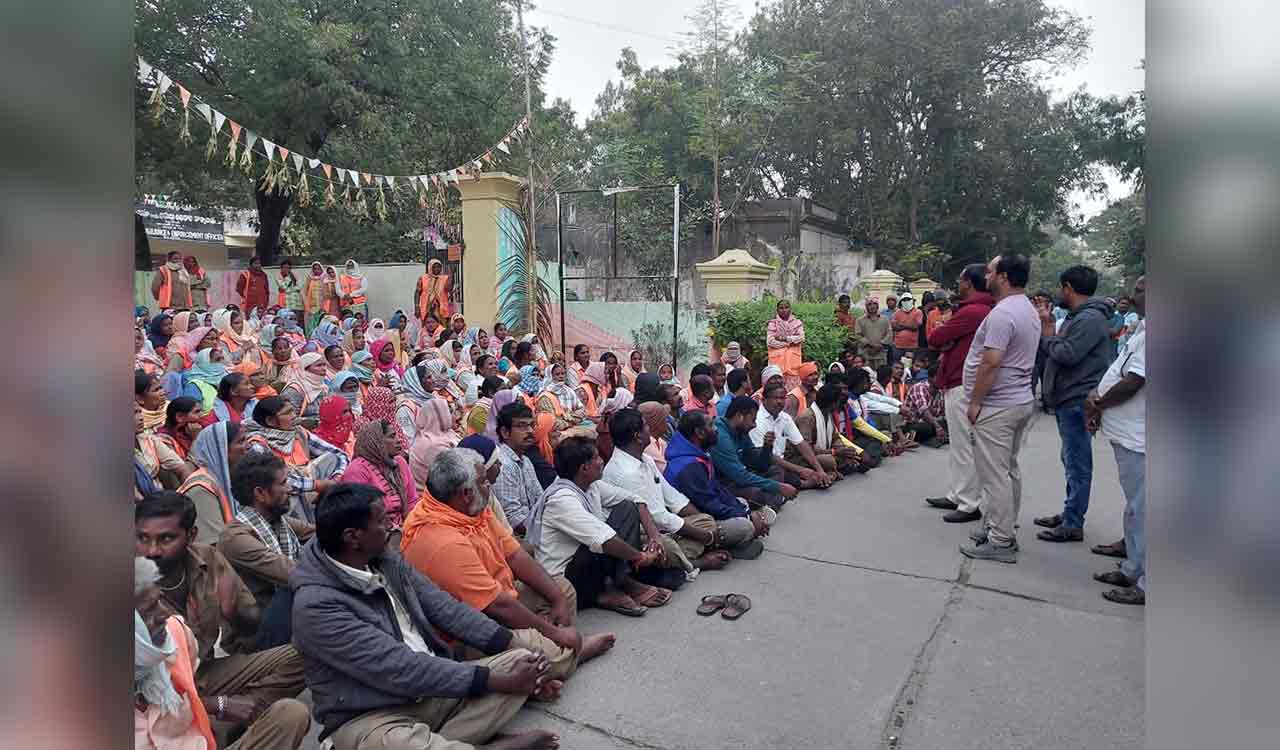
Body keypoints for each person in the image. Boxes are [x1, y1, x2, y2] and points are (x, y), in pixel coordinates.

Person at [289, 483, 564, 750]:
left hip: (433, 690)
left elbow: (446, 609)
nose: (392, 527)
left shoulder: (382, 557)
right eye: (382, 521)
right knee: (399, 742)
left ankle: (460, 738)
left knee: (524, 658)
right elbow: (399, 668)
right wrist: (499, 681)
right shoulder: (315, 606)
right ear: (353, 537)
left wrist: (513, 648)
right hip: (373, 716)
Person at [401, 448, 616, 683]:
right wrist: (554, 632)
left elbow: (514, 555)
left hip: (499, 598)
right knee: (535, 648)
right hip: (469, 632)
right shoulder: (443, 541)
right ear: (465, 493)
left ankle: (555, 653)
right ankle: (567, 654)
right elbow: (497, 606)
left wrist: (558, 600)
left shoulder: (470, 508)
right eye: (484, 482)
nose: (489, 486)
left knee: (562, 588)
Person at [135, 492, 308, 736]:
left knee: (303, 655)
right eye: (142, 538)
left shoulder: (207, 558)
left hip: (204, 672)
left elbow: (250, 626)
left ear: (191, 535)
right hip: (159, 694)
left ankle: (230, 723)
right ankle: (218, 721)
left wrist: (234, 612)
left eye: (166, 539)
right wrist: (219, 704)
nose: (152, 550)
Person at [133, 556, 312, 750]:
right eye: (149, 611)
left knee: (290, 714)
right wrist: (214, 705)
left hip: (198, 735)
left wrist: (219, 705)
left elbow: (190, 689)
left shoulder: (175, 632)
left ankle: (233, 725)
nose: (164, 614)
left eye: (159, 601)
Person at [958, 254, 1041, 563]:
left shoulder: (1004, 313)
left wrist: (976, 401)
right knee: (1008, 469)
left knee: (994, 475)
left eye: (991, 271)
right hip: (1018, 401)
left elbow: (991, 361)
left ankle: (1001, 539)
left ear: (1004, 276)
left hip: (998, 405)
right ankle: (999, 525)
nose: (987, 276)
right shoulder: (1027, 309)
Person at [528, 436, 670, 616]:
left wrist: (654, 536)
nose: (602, 461)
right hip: (568, 575)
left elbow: (636, 500)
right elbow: (603, 540)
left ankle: (620, 581)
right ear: (584, 468)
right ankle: (609, 590)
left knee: (627, 508)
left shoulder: (590, 485)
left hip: (591, 564)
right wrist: (640, 556)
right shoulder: (562, 498)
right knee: (601, 542)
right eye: (596, 458)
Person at [1032, 265, 1114, 543]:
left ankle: (1073, 522)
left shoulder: (1089, 319)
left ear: (1068, 287)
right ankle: (1070, 513)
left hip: (1078, 399)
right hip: (1069, 397)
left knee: (1077, 463)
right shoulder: (1079, 317)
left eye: (1061, 288)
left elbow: (1067, 353)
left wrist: (1046, 338)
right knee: (1070, 459)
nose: (1059, 293)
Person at [604, 408, 733, 574]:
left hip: (665, 527)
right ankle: (696, 562)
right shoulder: (625, 471)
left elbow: (673, 497)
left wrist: (701, 524)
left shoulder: (646, 459)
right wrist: (704, 537)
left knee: (706, 520)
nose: (649, 430)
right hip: (640, 534)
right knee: (667, 545)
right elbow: (655, 517)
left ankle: (681, 561)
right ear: (637, 436)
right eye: (645, 427)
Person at [1085, 276, 1147, 605]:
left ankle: (1146, 583)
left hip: (1142, 439)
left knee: (1147, 511)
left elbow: (1134, 381)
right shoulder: (1143, 330)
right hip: (1129, 435)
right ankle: (1133, 568)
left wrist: (1099, 402)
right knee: (1137, 508)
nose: (1132, 296)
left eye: (1139, 290)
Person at [219, 452, 314, 649]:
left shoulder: (278, 521)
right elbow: (292, 573)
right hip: (255, 637)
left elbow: (320, 534)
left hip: (283, 619)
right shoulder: (235, 538)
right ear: (260, 493)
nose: (289, 489)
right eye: (283, 483)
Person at [923, 263, 995, 523]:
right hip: (959, 379)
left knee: (964, 444)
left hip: (962, 382)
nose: (958, 284)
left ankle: (969, 503)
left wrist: (944, 334)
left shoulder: (974, 311)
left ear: (970, 283)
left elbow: (934, 338)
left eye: (961, 279)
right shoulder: (979, 309)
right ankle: (958, 494)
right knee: (959, 443)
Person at [664, 411, 773, 557]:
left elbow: (717, 490)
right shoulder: (688, 465)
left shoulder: (696, 454)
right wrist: (748, 517)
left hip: (706, 509)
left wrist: (745, 511)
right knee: (744, 527)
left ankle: (740, 537)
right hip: (695, 521)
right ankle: (722, 546)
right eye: (711, 425)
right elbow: (709, 505)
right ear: (700, 433)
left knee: (742, 502)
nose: (716, 429)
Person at [243, 396, 350, 523]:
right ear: (271, 421)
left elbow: (340, 454)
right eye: (288, 413)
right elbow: (277, 481)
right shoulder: (257, 444)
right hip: (283, 497)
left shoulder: (298, 432)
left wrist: (336, 478)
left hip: (310, 488)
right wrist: (316, 485)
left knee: (332, 458)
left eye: (293, 411)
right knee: (288, 485)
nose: (294, 416)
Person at [709, 396, 798, 510]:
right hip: (725, 483)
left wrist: (767, 447)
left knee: (776, 470)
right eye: (753, 420)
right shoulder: (721, 436)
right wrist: (778, 487)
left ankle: (769, 503)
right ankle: (770, 502)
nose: (754, 425)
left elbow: (759, 464)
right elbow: (740, 476)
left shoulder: (741, 431)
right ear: (739, 416)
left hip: (741, 476)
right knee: (755, 493)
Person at [753, 381, 837, 488]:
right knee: (778, 472)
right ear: (763, 400)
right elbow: (770, 457)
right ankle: (804, 483)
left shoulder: (784, 417)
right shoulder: (757, 420)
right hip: (767, 465)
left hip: (785, 462)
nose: (779, 402)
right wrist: (801, 470)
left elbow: (801, 444)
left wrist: (819, 470)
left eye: (782, 398)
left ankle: (817, 479)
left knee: (824, 464)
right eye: (775, 398)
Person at [492, 402, 547, 536]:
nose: (529, 431)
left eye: (531, 425)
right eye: (522, 426)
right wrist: (548, 530)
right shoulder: (503, 464)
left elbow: (541, 499)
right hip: (518, 537)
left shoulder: (526, 461)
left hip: (535, 526)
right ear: (505, 432)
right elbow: (513, 520)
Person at [793, 383, 862, 477]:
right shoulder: (807, 417)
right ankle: (831, 471)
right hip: (801, 458)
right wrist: (834, 452)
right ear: (832, 403)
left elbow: (835, 438)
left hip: (824, 453)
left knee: (852, 456)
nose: (839, 404)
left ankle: (835, 470)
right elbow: (806, 449)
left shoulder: (828, 414)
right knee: (829, 461)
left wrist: (843, 450)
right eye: (838, 401)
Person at [136, 401, 194, 494]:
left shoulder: (149, 440)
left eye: (139, 412)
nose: (141, 418)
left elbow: (181, 467)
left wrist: (191, 491)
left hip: (157, 496)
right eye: (134, 413)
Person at [407, 398, 460, 493]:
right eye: (450, 413)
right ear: (440, 416)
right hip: (434, 497)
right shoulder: (433, 446)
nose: (455, 417)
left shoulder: (443, 434)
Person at [902, 360, 947, 446]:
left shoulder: (940, 391)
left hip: (930, 422)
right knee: (928, 428)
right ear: (930, 378)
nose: (943, 380)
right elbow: (924, 411)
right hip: (913, 423)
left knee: (948, 424)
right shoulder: (919, 387)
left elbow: (941, 413)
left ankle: (934, 437)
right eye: (940, 377)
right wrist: (938, 426)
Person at [278, 351, 329, 424]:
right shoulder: (294, 390)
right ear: (305, 368)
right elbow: (288, 419)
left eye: (324, 365)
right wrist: (315, 422)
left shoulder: (323, 386)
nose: (324, 368)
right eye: (319, 365)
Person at [766, 299, 805, 388]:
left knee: (793, 390)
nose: (784, 310)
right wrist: (789, 343)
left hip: (793, 363)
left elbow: (801, 338)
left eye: (786, 307)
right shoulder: (773, 323)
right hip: (777, 363)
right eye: (781, 308)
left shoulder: (797, 323)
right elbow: (770, 341)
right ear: (777, 310)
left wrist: (785, 338)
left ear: (790, 309)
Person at [415, 257, 453, 326]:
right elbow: (417, 293)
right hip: (427, 309)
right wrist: (417, 307)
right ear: (430, 267)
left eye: (439, 267)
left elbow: (449, 289)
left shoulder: (445, 278)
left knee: (442, 329)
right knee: (427, 328)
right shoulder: (423, 278)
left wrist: (451, 275)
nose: (437, 269)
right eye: (434, 267)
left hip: (441, 309)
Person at [856, 299, 892, 368]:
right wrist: (870, 345)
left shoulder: (885, 319)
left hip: (881, 353)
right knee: (866, 375)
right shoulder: (860, 320)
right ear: (866, 307)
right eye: (869, 304)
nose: (872, 306)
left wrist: (880, 345)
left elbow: (889, 334)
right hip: (866, 353)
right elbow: (858, 335)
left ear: (878, 306)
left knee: (881, 375)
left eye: (874, 304)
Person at [891, 292, 923, 362]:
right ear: (901, 302)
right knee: (898, 365)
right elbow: (894, 327)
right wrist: (909, 325)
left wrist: (902, 325)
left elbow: (915, 327)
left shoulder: (918, 312)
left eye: (908, 299)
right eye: (904, 300)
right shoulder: (897, 313)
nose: (906, 301)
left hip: (912, 346)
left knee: (910, 365)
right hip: (898, 346)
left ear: (912, 300)